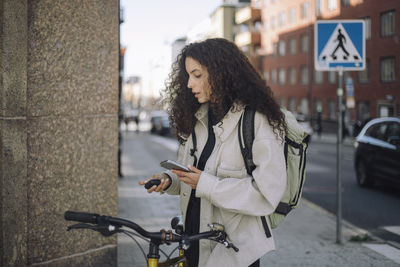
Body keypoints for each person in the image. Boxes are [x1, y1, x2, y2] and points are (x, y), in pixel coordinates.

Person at [139, 38, 287, 267]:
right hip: (194, 243)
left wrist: (207, 184)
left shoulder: (255, 121)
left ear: (221, 73)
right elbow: (193, 178)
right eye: (188, 75)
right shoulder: (197, 119)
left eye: (197, 75)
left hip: (234, 253)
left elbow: (267, 194)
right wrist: (170, 181)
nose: (189, 84)